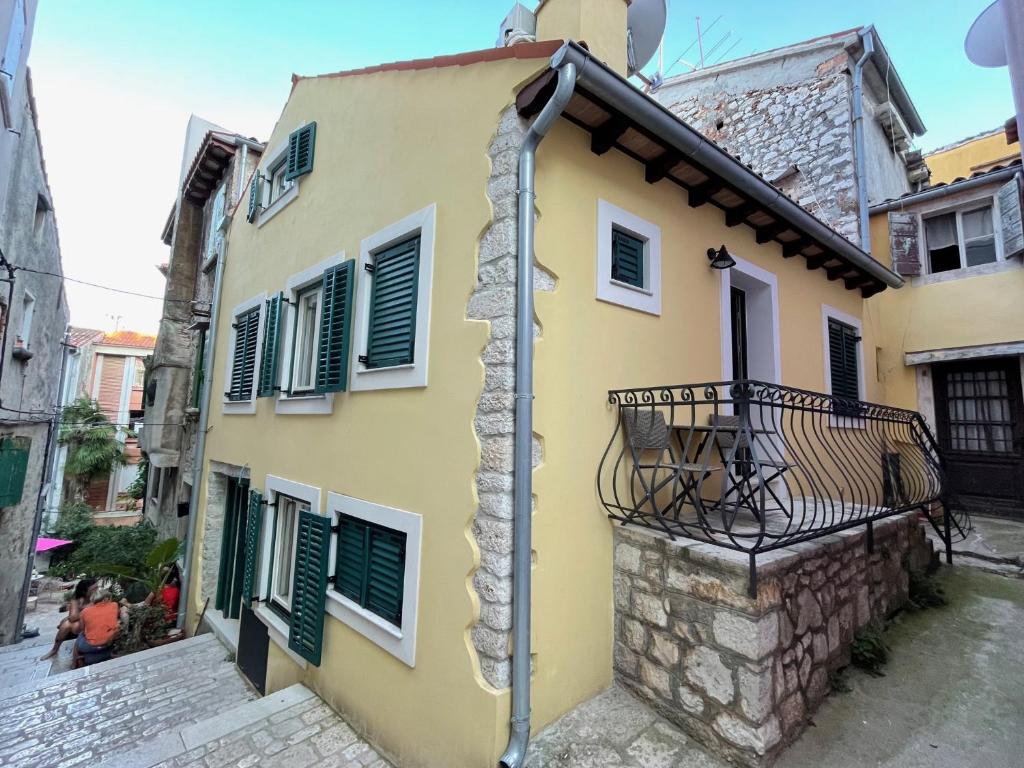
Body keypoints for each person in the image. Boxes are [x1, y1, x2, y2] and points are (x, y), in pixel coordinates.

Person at [39, 578, 96, 661]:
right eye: (93, 589)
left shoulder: (98, 598)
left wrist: (83, 611)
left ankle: (68, 652)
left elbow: (74, 617)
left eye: (96, 588)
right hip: (79, 623)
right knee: (67, 624)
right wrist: (88, 608)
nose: (96, 590)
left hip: (91, 623)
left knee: (68, 624)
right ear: (84, 591)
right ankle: (54, 650)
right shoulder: (77, 599)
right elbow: (72, 618)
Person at [72, 587, 120, 668]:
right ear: (106, 598)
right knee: (116, 629)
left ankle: (74, 663)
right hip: (109, 643)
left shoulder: (84, 611)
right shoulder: (114, 605)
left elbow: (83, 630)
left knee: (79, 637)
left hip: (89, 646)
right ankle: (108, 653)